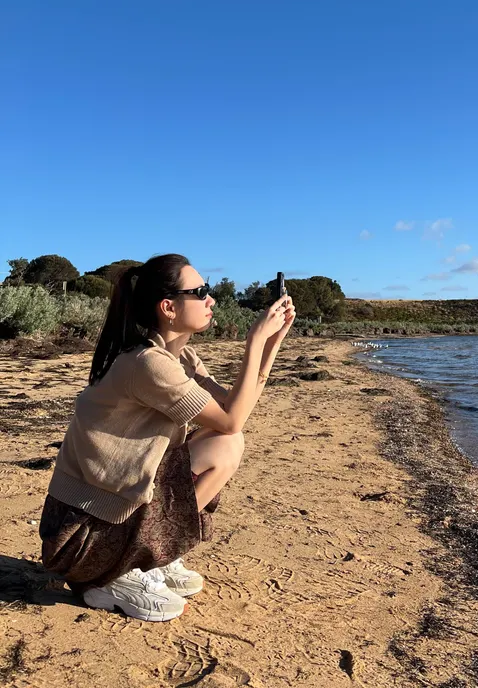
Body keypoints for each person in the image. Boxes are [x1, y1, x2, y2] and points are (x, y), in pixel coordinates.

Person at [38, 253, 295, 622]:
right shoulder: (147, 364)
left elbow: (236, 409)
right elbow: (232, 419)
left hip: (111, 510)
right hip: (81, 532)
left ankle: (152, 554)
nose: (211, 299)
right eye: (200, 291)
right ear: (168, 307)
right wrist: (254, 341)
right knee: (227, 440)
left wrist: (272, 344)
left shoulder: (181, 358)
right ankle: (118, 573)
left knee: (226, 443)